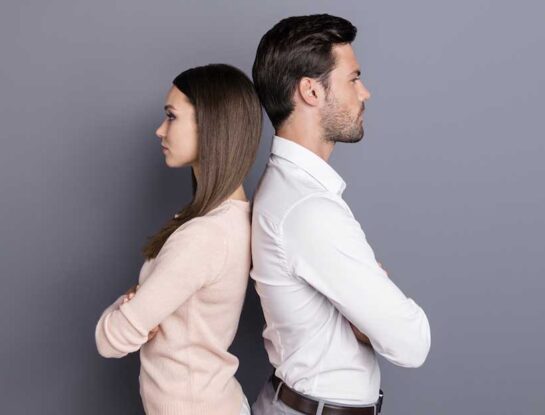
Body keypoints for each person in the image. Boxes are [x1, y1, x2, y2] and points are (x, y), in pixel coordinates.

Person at [250, 14, 431, 415]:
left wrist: (367, 319)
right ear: (312, 91)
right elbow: (411, 342)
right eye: (353, 79)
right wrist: (373, 318)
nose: (365, 92)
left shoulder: (294, 193)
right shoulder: (308, 209)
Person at [94, 63, 262, 415]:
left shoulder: (204, 236)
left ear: (211, 126)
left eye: (171, 117)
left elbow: (111, 340)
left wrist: (125, 307)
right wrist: (140, 305)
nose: (160, 130)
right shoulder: (228, 219)